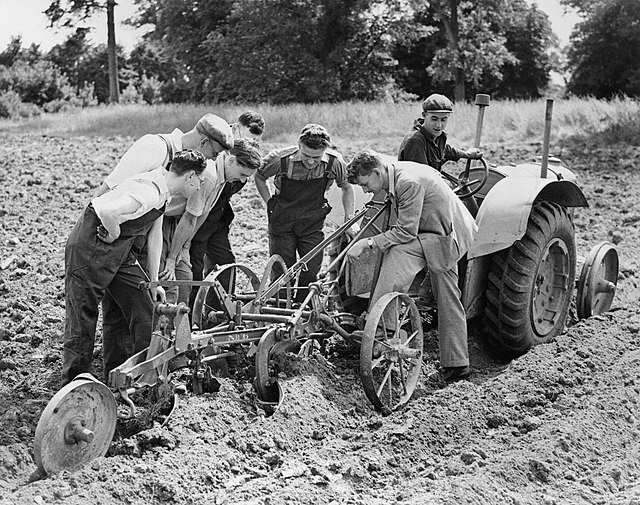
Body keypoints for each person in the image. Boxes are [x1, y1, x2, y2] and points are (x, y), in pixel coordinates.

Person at [61, 150, 207, 386]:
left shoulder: (163, 193)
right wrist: (115, 232)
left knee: (144, 306)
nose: (199, 187)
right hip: (90, 249)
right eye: (199, 182)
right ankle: (75, 386)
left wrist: (153, 281)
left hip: (120, 255)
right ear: (190, 176)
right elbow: (109, 213)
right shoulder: (148, 191)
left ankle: (141, 376)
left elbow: (155, 235)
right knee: (83, 317)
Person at [346, 150, 478, 383]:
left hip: (446, 236)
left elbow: (406, 231)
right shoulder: (393, 174)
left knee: (442, 291)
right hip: (429, 231)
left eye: (366, 184)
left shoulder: (408, 182)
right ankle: (381, 322)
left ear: (377, 173)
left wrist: (368, 243)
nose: (366, 191)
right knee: (392, 252)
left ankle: (455, 363)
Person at [254, 124, 355, 301]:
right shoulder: (280, 160)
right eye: (306, 155)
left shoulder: (334, 162)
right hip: (282, 220)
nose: (310, 161)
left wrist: (349, 217)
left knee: (312, 266)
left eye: (316, 157)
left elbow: (346, 186)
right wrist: (270, 202)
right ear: (299, 146)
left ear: (325, 150)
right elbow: (259, 176)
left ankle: (304, 307)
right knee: (282, 267)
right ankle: (280, 306)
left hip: (312, 222)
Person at [189, 111, 266, 308]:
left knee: (226, 266)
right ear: (234, 129)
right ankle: (191, 318)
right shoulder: (215, 160)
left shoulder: (244, 162)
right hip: (197, 221)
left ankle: (216, 314)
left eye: (255, 140)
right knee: (193, 271)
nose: (251, 143)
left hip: (218, 221)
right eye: (247, 137)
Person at [397, 93, 482, 170]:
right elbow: (422, 179)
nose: (439, 125)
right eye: (434, 119)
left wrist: (467, 154)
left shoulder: (438, 136)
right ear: (424, 115)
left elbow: (447, 150)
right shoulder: (416, 141)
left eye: (443, 119)